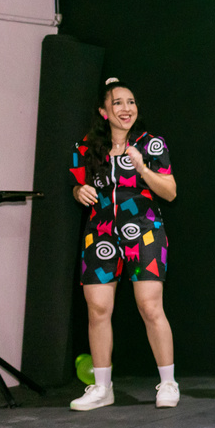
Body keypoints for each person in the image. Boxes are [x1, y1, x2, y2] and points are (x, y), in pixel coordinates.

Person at [69, 78, 178, 410]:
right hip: (100, 232)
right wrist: (78, 191)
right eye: (117, 103)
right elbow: (78, 185)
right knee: (98, 309)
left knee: (150, 306)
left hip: (144, 230)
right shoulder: (86, 148)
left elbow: (170, 192)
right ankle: (102, 388)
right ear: (104, 111)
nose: (126, 109)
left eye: (130, 102)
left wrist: (142, 167)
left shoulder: (151, 145)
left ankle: (168, 383)